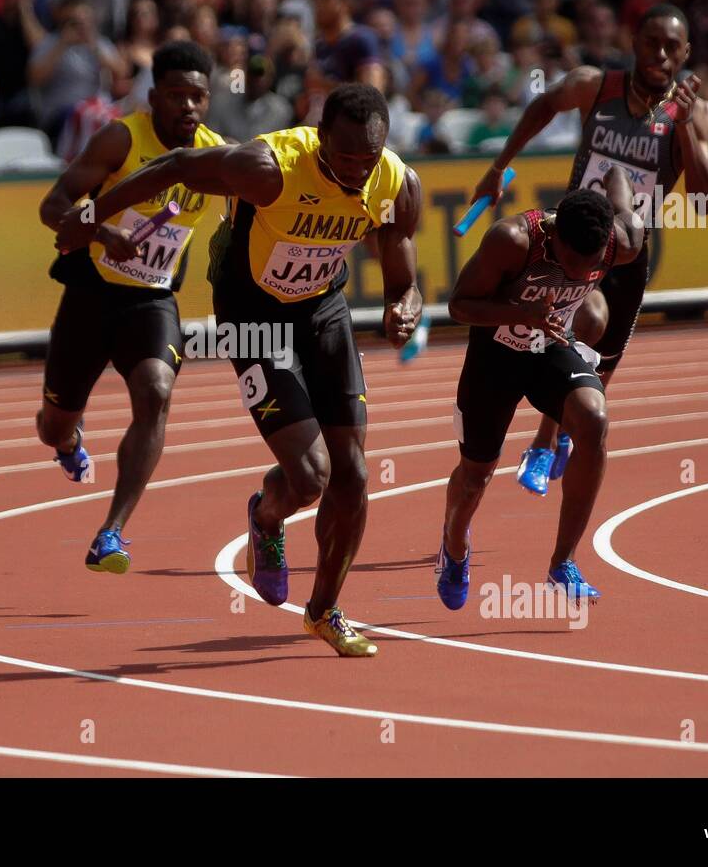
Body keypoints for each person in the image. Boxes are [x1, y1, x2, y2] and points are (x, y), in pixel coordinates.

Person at [63, 83, 423, 657]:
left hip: (324, 310)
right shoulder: (270, 167)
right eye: (347, 156)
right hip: (255, 315)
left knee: (352, 474)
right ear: (320, 137)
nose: (358, 170)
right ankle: (267, 515)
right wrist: (89, 215)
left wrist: (403, 305)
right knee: (310, 476)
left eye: (369, 158)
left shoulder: (395, 183)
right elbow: (175, 166)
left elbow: (403, 266)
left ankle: (325, 611)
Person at [470, 2, 708, 496]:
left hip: (628, 253)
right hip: (575, 242)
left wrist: (687, 126)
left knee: (597, 373)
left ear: (686, 52)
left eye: (673, 46)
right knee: (588, 319)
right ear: (634, 42)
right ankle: (543, 445)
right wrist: (500, 165)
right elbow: (544, 105)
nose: (661, 54)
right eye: (652, 42)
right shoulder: (595, 86)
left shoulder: (700, 114)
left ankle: (551, 438)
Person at [40, 41, 225, 574]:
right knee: (53, 425)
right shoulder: (122, 138)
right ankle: (68, 439)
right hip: (91, 296)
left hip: (152, 300)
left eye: (198, 97)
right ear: (153, 98)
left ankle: (111, 532)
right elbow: (53, 206)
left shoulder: (214, 155)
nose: (188, 107)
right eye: (176, 96)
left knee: (156, 392)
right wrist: (101, 231)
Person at [438, 166, 644, 608]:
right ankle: (454, 545)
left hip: (549, 346)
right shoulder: (514, 240)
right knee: (475, 477)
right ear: (555, 237)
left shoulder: (621, 242)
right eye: (571, 264)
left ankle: (562, 562)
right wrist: (520, 313)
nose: (580, 274)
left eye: (591, 267)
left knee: (594, 419)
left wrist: (614, 175)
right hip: (496, 354)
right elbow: (459, 305)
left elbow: (621, 189)